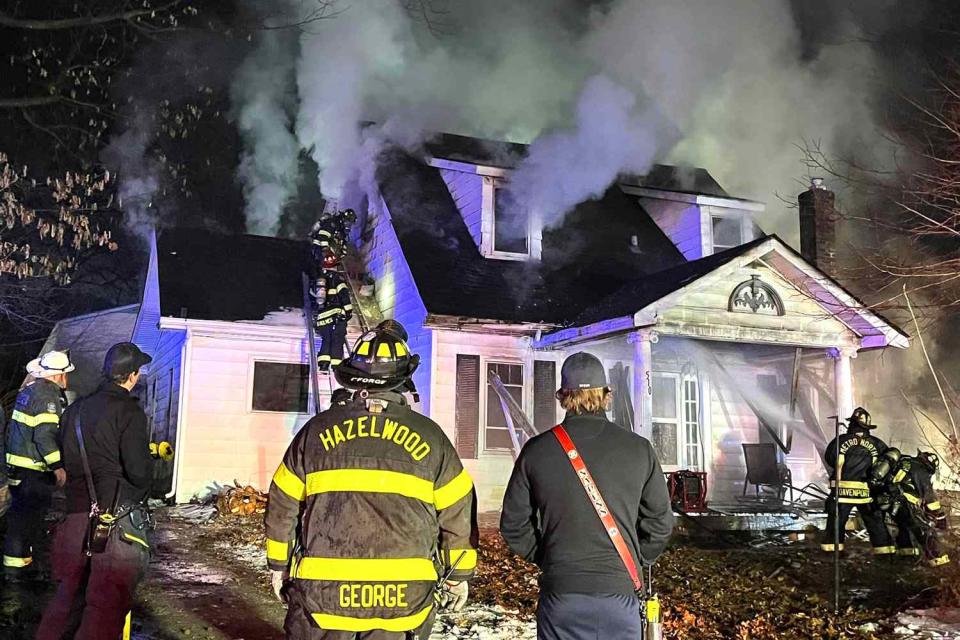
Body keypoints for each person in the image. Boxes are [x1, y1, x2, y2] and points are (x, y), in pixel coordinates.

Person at [265, 319, 478, 639]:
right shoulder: (432, 438)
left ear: (353, 378)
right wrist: (457, 575)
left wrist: (279, 566)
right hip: (402, 602)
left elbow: (282, 504)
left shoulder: (315, 431)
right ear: (405, 379)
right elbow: (458, 512)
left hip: (324, 599)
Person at [500, 352, 675, 640]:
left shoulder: (537, 451)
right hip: (619, 594)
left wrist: (547, 558)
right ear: (607, 394)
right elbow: (659, 524)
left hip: (561, 595)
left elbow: (513, 525)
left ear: (561, 395)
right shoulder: (639, 450)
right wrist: (634, 558)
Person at [37, 342, 157, 640]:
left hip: (75, 520)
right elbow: (139, 473)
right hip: (114, 525)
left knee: (67, 600)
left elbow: (68, 457)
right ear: (131, 375)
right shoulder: (129, 412)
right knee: (104, 608)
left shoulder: (74, 410)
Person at [3, 350, 73, 579]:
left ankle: (17, 565)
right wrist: (58, 466)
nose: (67, 379)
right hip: (33, 469)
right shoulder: (47, 395)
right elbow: (45, 436)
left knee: (21, 516)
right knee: (29, 518)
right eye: (66, 374)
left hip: (19, 466)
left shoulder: (30, 390)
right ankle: (19, 570)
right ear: (59, 375)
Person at [821, 407, 895, 555]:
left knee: (836, 522)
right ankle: (884, 553)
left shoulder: (839, 441)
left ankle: (832, 552)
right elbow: (887, 466)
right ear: (867, 426)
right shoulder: (877, 444)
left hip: (842, 492)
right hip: (867, 492)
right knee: (875, 523)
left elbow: (830, 459)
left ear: (851, 424)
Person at [882, 450, 950, 566]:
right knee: (924, 531)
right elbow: (928, 495)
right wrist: (938, 515)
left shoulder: (905, 462)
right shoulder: (920, 469)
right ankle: (939, 561)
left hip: (888, 500)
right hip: (904, 502)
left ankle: (907, 556)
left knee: (904, 528)